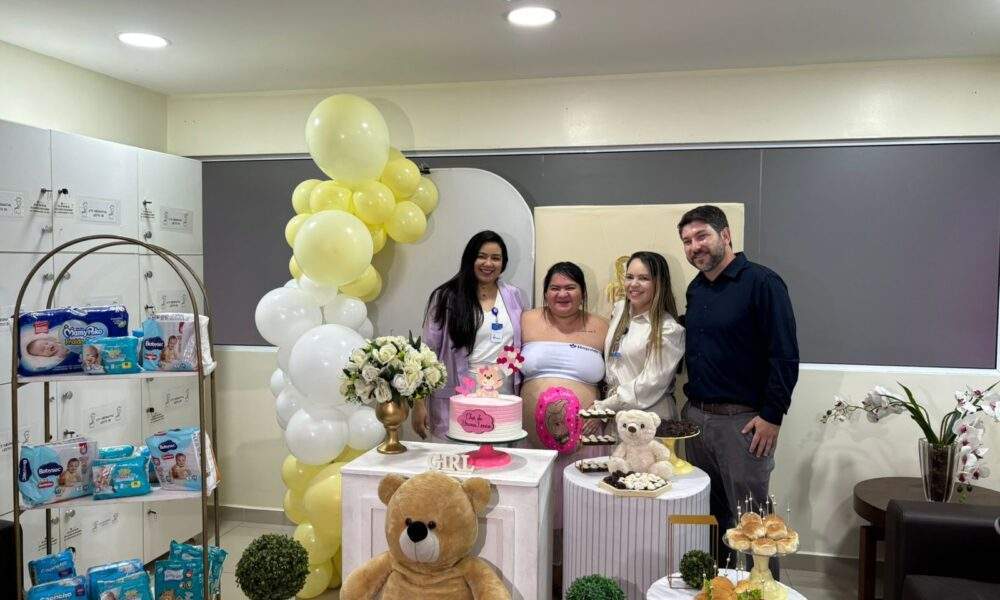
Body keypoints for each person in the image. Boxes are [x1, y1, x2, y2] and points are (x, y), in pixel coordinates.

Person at [677, 205, 799, 570]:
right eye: (686, 241)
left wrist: (772, 417)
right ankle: (718, 589)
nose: (694, 246)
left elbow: (785, 354)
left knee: (754, 523)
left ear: (726, 235)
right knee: (710, 519)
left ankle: (763, 591)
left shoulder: (762, 283)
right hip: (696, 421)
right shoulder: (696, 289)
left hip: (742, 424)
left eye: (702, 236)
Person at [520, 262, 608, 593]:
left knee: (580, 516)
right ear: (545, 293)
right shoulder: (527, 320)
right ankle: (537, 584)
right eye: (555, 288)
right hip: (533, 445)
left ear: (583, 294)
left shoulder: (601, 325)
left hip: (587, 442)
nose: (562, 294)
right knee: (539, 516)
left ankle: (579, 583)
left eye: (570, 288)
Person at [413, 230, 528, 439]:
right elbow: (426, 352)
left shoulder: (514, 296)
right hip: (461, 391)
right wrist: (418, 403)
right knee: (462, 459)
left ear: (504, 263)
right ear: (470, 258)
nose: (488, 263)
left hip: (503, 391)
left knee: (498, 456)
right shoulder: (447, 297)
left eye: (496, 258)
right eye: (482, 256)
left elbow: (521, 345)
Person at [592, 251, 685, 420]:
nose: (633, 284)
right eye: (629, 277)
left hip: (650, 419)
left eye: (643, 278)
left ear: (659, 283)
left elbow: (650, 384)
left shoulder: (668, 329)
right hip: (617, 416)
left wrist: (604, 406)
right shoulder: (619, 310)